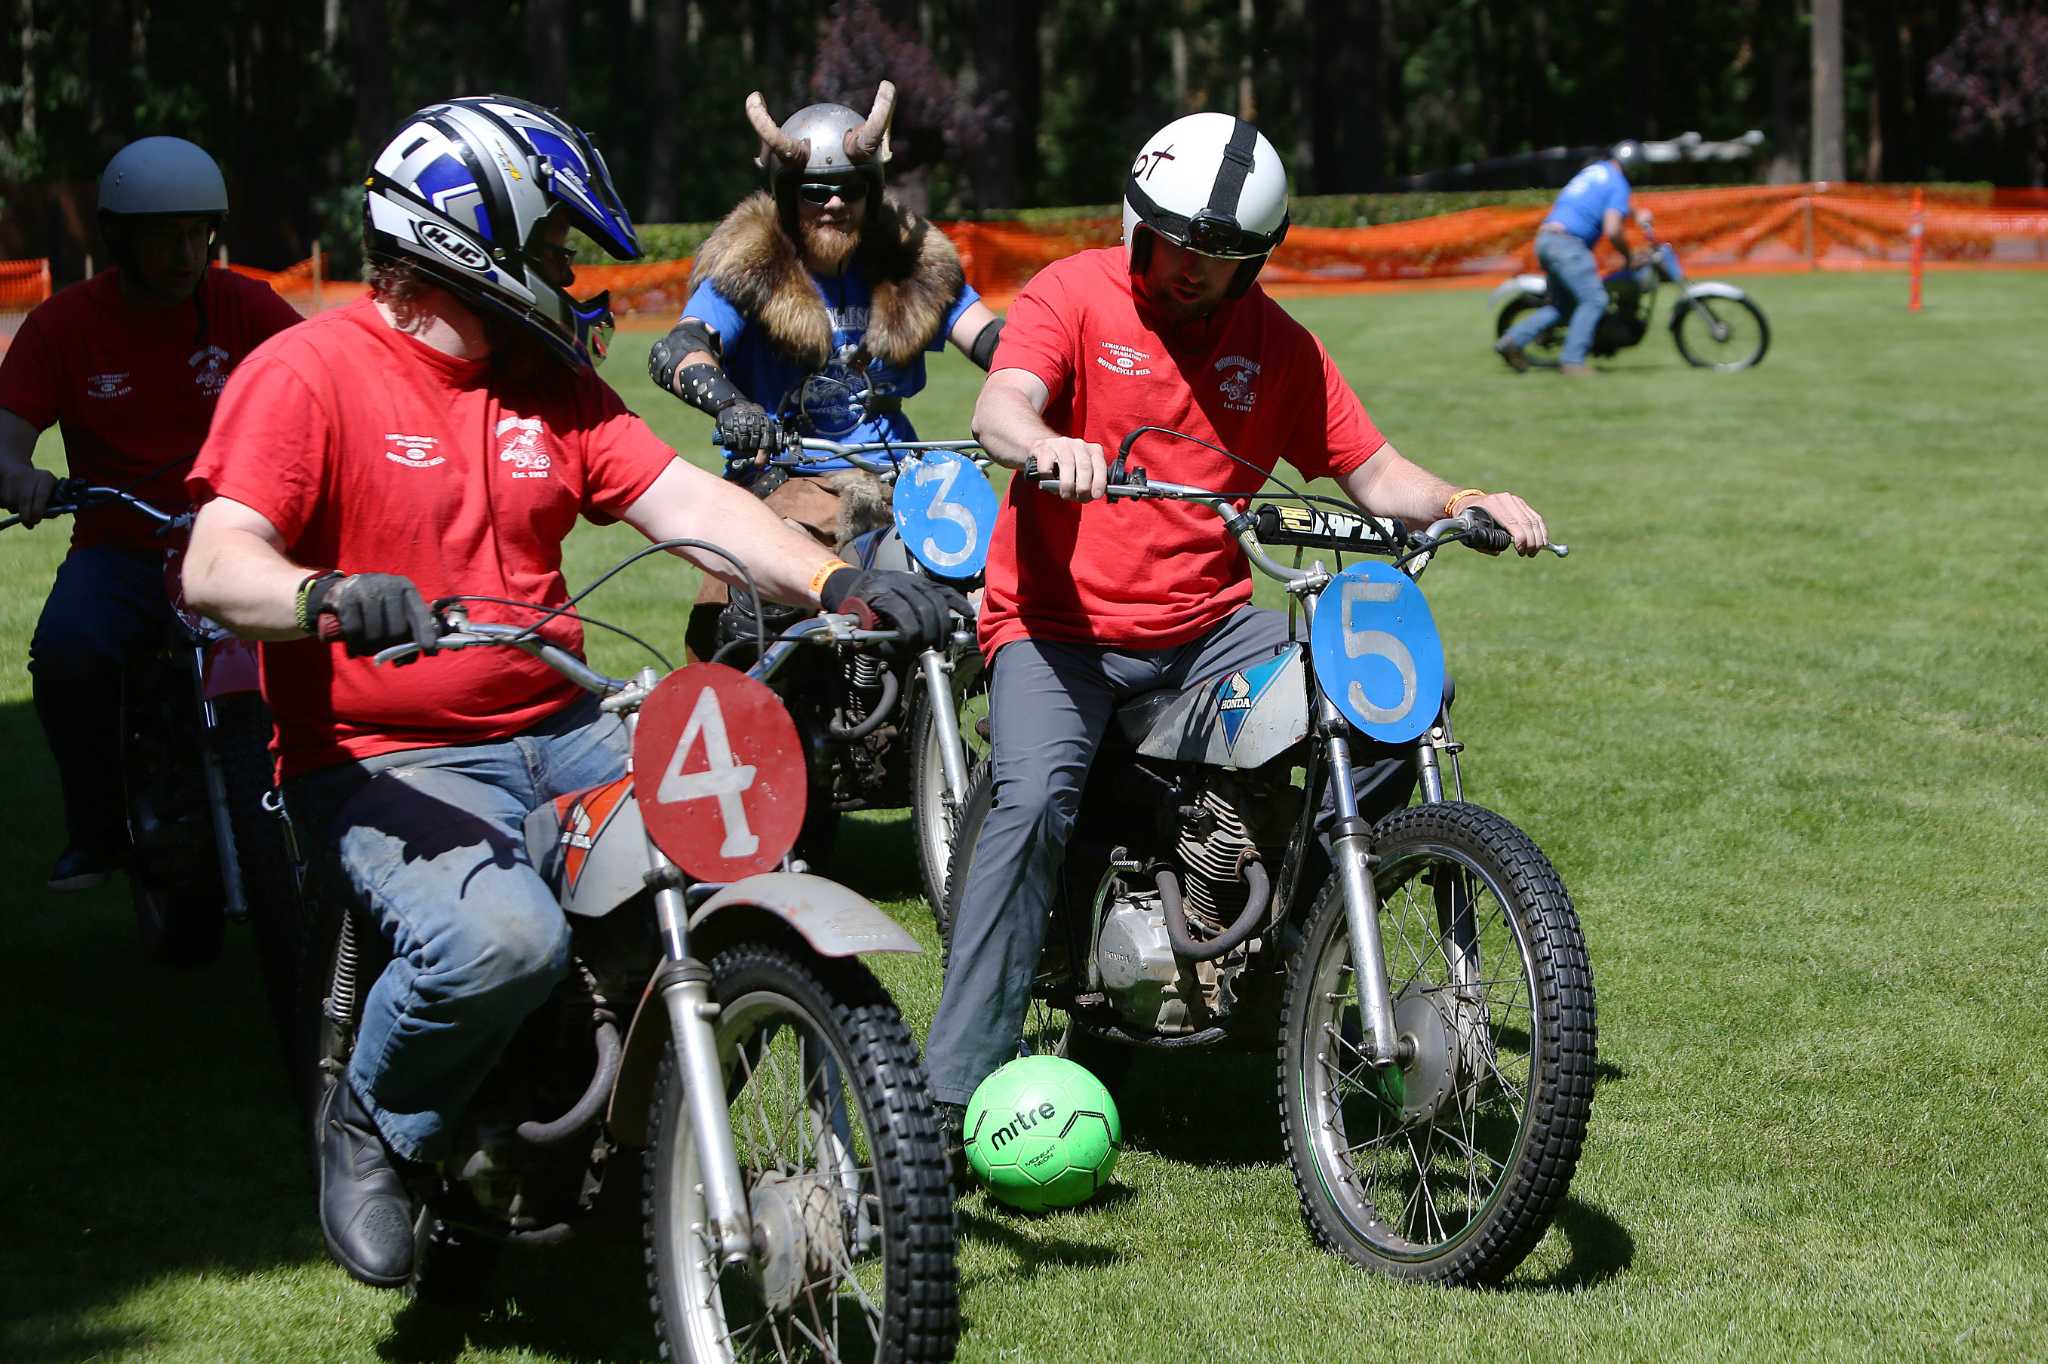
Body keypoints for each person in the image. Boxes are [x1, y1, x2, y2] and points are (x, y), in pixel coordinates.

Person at [179, 94, 967, 1289]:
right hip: (386, 753)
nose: (565, 275)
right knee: (504, 939)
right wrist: (327, 593)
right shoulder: (309, 371)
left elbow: (689, 505)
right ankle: (373, 1122)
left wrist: (836, 574)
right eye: (551, 249)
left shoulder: (545, 384)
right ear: (466, 239)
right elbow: (214, 560)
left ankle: (643, 1119)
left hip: (565, 721)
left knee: (739, 858)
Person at [921, 112, 1553, 1143]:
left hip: (1212, 627)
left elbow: (1376, 474)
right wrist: (1045, 445)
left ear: (1254, 260)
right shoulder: (1071, 293)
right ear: (1135, 224)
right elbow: (1003, 403)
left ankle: (1287, 952)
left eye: (1217, 258)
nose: (1187, 270)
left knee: (1389, 709)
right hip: (1056, 627)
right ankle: (948, 1096)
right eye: (1172, 244)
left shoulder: (1278, 347)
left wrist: (1462, 501)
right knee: (1031, 802)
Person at [0, 136, 303, 891]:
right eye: (162, 234)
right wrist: (19, 476)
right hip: (123, 546)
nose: (183, 251)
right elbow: (4, 439)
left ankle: (338, 795)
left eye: (197, 232)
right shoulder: (63, 325)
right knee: (69, 652)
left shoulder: (246, 306)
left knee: (330, 630)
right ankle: (97, 830)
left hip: (241, 539)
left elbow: (326, 383)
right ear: (117, 240)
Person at [645, 80, 1003, 661]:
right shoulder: (753, 265)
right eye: (814, 193)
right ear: (787, 196)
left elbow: (991, 339)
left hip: (910, 488)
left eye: (850, 190)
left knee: (1001, 600)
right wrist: (731, 406)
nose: (833, 204)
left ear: (872, 190)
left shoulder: (909, 263)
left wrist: (1041, 382)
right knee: (737, 630)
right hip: (788, 480)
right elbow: (681, 347)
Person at [1495, 138, 1656, 377]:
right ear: (1635, 166)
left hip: (1547, 239)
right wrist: (1629, 256)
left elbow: (1602, 201)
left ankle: (1511, 341)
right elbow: (1612, 229)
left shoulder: (1595, 171)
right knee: (1595, 300)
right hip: (1569, 245)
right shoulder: (1619, 183)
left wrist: (1635, 213)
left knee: (1564, 308)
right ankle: (1572, 362)